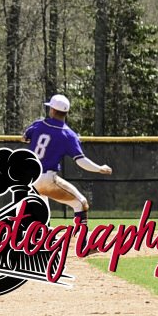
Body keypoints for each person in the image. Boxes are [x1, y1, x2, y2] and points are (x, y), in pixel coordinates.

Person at [22, 94, 112, 225]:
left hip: (29, 179)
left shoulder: (39, 124)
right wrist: (99, 168)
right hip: (47, 179)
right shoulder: (69, 134)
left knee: (42, 214)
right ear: (66, 113)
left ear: (52, 110)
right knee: (81, 204)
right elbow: (81, 161)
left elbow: (25, 137)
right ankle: (83, 243)